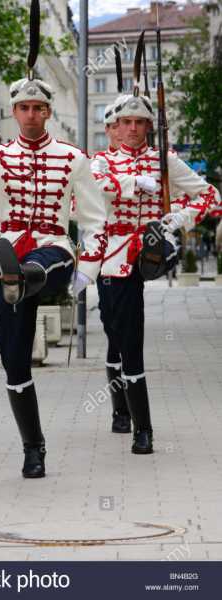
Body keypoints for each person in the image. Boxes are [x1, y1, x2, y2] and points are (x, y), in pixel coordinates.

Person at [0, 77, 107, 478]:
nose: (32, 114)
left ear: (48, 112)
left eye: (38, 108)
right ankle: (33, 447)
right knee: (13, 358)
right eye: (24, 108)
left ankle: (22, 276)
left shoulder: (73, 157)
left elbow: (93, 218)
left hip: (53, 247)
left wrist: (88, 269)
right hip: (10, 251)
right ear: (15, 112)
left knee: (43, 263)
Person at [91, 94, 221, 455]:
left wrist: (178, 217)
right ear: (114, 127)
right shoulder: (100, 162)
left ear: (149, 125)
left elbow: (209, 195)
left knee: (131, 338)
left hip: (148, 249)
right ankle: (119, 408)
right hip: (112, 255)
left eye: (140, 122)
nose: (132, 128)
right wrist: (134, 183)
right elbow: (86, 196)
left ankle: (142, 428)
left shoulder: (164, 161)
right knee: (114, 330)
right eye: (126, 122)